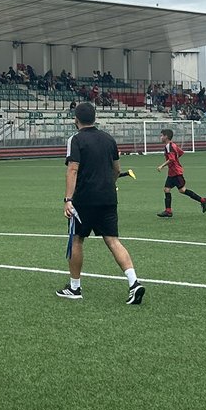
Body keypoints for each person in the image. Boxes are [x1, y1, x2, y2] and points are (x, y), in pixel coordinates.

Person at [58, 101, 146, 305]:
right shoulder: (109, 139)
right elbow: (116, 169)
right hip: (108, 197)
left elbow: (72, 169)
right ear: (95, 117)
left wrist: (68, 199)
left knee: (77, 239)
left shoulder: (76, 139)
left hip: (84, 199)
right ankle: (134, 282)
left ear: (76, 119)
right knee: (113, 240)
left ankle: (74, 287)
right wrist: (109, 185)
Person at [156, 128, 206, 217]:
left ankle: (203, 200)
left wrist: (162, 166)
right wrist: (175, 160)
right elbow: (180, 152)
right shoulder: (173, 145)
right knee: (166, 189)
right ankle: (168, 211)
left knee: (182, 190)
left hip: (176, 172)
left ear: (166, 137)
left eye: (161, 136)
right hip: (172, 172)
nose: (160, 137)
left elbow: (172, 159)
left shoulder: (169, 146)